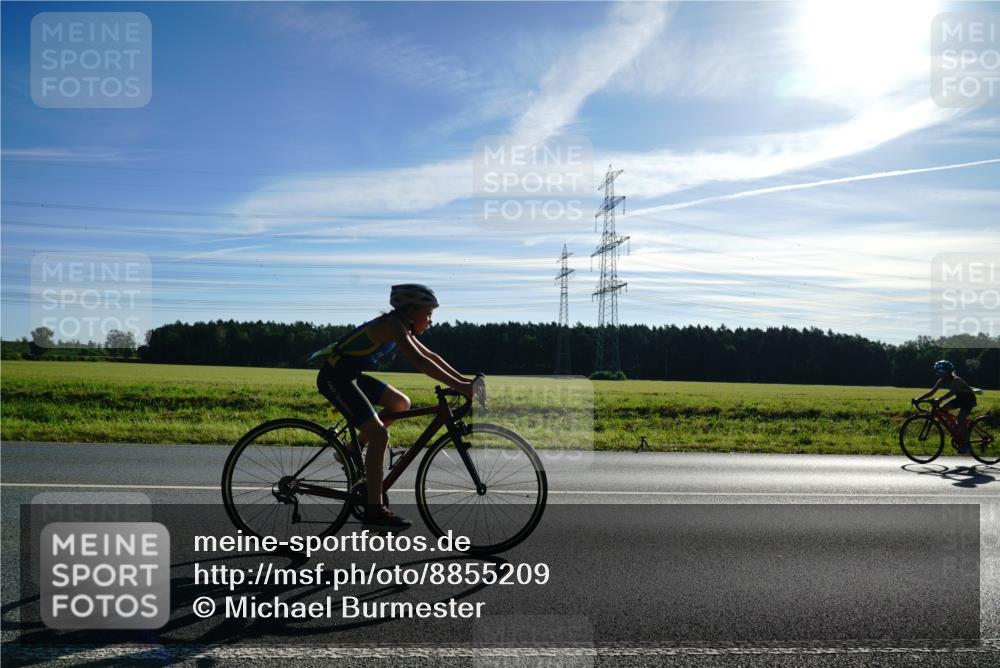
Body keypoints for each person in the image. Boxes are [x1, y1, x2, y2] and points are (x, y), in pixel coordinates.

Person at [311, 284, 484, 529]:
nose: (431, 320)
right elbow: (420, 362)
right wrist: (460, 386)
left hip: (350, 374)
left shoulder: (401, 326)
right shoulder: (392, 325)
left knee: (400, 403)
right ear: (411, 310)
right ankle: (374, 511)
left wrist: (464, 382)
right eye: (428, 313)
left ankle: (352, 449)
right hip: (335, 377)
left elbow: (432, 356)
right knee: (380, 435)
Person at [913, 360, 977, 453]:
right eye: (937, 372)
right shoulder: (942, 380)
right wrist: (918, 399)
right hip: (960, 398)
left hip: (968, 399)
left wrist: (940, 399)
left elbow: (952, 392)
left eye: (941, 372)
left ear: (949, 371)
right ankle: (955, 426)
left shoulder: (956, 380)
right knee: (942, 409)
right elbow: (931, 392)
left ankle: (967, 445)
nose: (939, 374)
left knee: (960, 419)